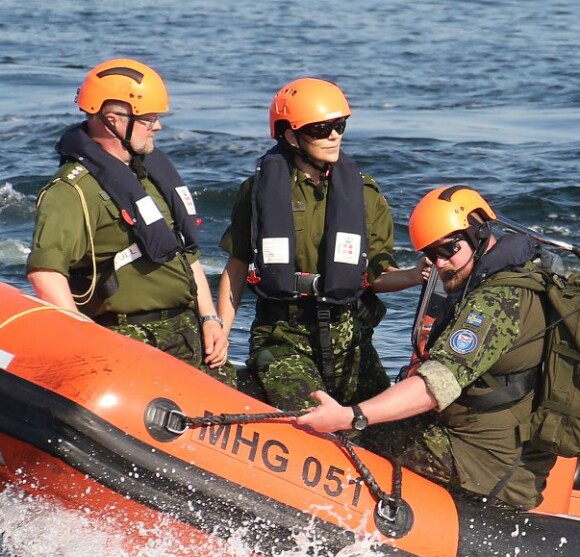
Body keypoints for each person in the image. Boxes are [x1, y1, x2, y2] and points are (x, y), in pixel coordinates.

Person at [298, 185, 557, 510]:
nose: (440, 264)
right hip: (497, 449)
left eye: (449, 250)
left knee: (358, 436)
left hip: (483, 466)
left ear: (479, 234)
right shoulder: (526, 274)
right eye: (431, 254)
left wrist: (351, 418)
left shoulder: (492, 303)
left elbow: (434, 387)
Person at [217, 77, 427, 410]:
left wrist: (416, 275)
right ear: (291, 136)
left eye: (339, 126)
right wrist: (220, 330)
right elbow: (237, 265)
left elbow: (377, 274)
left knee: (390, 425)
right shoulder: (259, 192)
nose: (333, 136)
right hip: (283, 336)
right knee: (313, 419)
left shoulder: (365, 194)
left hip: (351, 341)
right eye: (320, 129)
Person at [26, 58, 235, 385]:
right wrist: (84, 343)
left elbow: (186, 252)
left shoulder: (148, 177)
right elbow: (46, 271)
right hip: (132, 338)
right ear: (112, 121)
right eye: (149, 119)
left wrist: (210, 319)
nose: (158, 126)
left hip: (188, 332)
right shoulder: (73, 190)